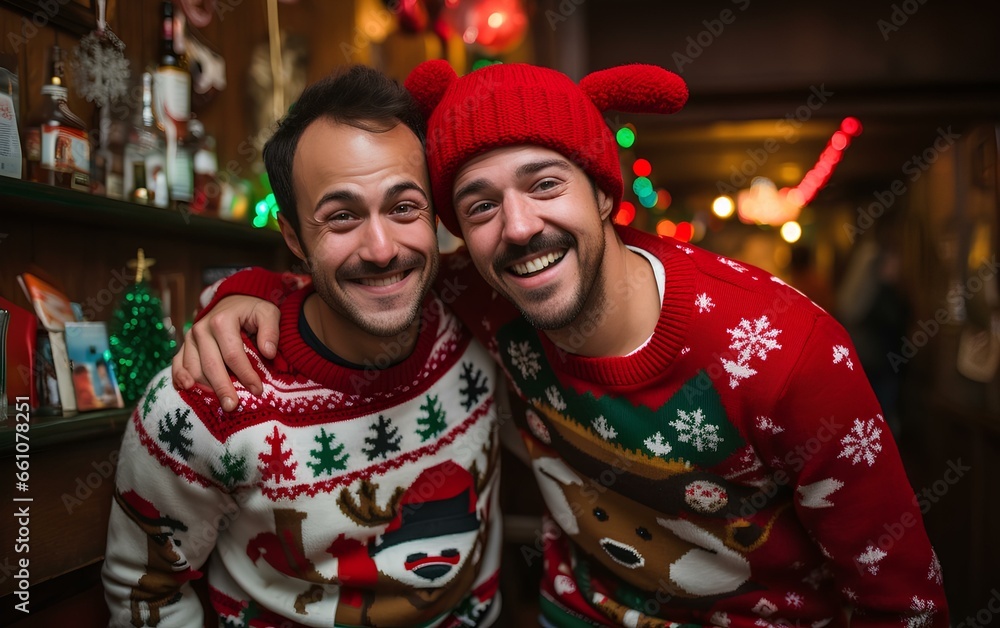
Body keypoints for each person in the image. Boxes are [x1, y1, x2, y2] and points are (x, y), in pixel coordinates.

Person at [175, 61, 949, 626]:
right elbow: (363, 277)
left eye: (545, 184)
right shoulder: (482, 293)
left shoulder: (788, 354)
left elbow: (903, 602)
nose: (518, 228)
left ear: (606, 193)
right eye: (479, 204)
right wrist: (246, 292)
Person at [104, 65, 504, 628]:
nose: (383, 248)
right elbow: (143, 589)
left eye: (404, 207)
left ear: (436, 215)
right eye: (342, 216)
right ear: (293, 237)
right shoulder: (205, 397)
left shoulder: (480, 320)